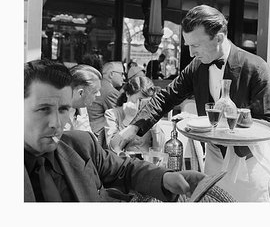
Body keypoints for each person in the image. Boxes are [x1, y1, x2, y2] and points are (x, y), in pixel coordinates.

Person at [115, 5, 270, 202]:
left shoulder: (256, 67)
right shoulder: (197, 66)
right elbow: (167, 96)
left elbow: (269, 123)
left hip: (248, 162)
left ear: (219, 37)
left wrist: (232, 122)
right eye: (188, 45)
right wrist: (133, 128)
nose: (191, 53)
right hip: (214, 157)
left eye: (196, 46)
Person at [24, 59, 210, 202]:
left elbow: (125, 168)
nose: (56, 123)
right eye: (43, 109)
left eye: (63, 109)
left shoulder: (81, 145)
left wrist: (165, 178)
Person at [105, 76, 164, 156]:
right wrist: (128, 120)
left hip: (146, 162)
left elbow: (159, 149)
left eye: (147, 101)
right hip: (123, 162)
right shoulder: (112, 114)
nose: (142, 105)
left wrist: (154, 126)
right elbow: (113, 149)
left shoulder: (149, 114)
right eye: (139, 100)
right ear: (128, 94)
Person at [86, 61, 125, 146]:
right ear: (111, 74)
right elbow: (120, 117)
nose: (124, 77)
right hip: (99, 137)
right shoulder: (110, 92)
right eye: (122, 74)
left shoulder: (101, 85)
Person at [64, 64, 101, 133]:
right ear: (80, 93)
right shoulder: (54, 110)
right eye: (95, 92)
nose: (99, 94)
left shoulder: (82, 106)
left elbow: (89, 137)